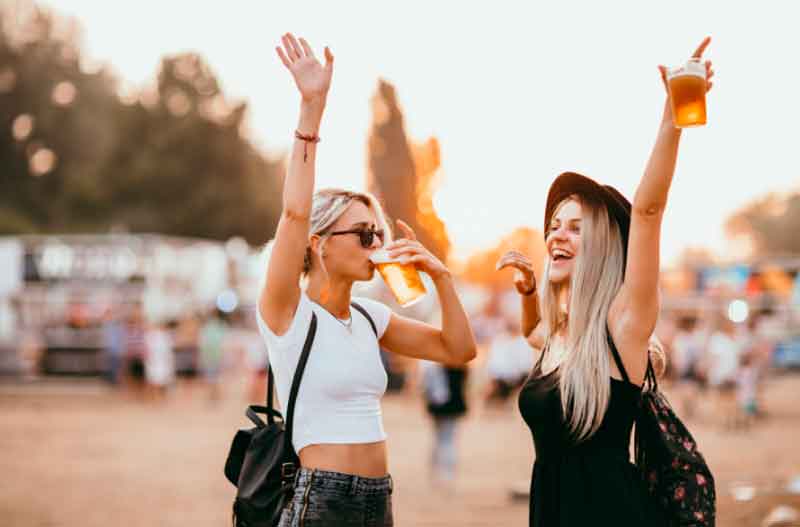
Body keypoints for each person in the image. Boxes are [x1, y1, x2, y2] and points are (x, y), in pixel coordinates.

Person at [260, 33, 477, 527]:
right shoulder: (286, 312)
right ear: (318, 243)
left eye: (378, 233)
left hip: (379, 498)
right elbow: (294, 212)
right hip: (320, 499)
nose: (376, 245)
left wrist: (441, 278)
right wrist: (311, 110)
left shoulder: (370, 316)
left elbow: (459, 350)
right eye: (362, 233)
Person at [498, 38, 715, 527]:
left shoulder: (622, 328)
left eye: (576, 227)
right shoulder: (558, 337)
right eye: (554, 224)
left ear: (603, 249)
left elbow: (648, 210)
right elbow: (532, 334)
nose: (557, 234)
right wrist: (531, 295)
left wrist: (672, 119)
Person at [421, 360, 469, 486]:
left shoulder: (435, 367)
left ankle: (438, 471)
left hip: (440, 407)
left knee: (440, 439)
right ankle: (446, 473)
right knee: (448, 440)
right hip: (452, 406)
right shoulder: (460, 365)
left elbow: (427, 388)